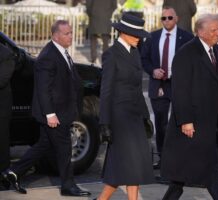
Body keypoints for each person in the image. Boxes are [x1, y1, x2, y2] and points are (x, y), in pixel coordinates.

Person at [1, 20, 91, 197]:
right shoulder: (48, 56)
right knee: (65, 150)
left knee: (43, 145)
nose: (71, 36)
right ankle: (68, 185)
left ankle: (12, 172)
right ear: (56, 36)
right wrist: (50, 114)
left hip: (61, 111)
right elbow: (43, 89)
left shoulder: (61, 52)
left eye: (71, 32)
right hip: (54, 114)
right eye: (67, 33)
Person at [160, 13, 218, 200]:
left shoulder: (216, 50)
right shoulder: (186, 53)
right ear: (200, 32)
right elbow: (180, 90)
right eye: (214, 30)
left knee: (180, 180)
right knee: (210, 173)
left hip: (212, 123)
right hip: (194, 125)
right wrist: (186, 121)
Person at [96, 13, 154, 200]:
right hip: (120, 119)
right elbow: (105, 92)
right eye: (135, 34)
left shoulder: (135, 52)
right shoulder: (111, 55)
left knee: (131, 167)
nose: (138, 38)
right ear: (122, 32)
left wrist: (145, 117)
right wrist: (104, 123)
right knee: (126, 166)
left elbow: (137, 89)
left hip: (135, 117)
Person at [141, 6, 193, 169]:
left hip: (178, 85)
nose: (167, 21)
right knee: (161, 123)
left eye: (170, 17)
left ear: (176, 18)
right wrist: (152, 70)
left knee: (181, 121)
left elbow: (192, 61)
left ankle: (179, 157)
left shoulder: (186, 37)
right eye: (164, 18)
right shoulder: (152, 37)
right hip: (159, 85)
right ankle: (163, 158)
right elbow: (144, 59)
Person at [0, 43, 15, 191]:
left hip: (1, 109)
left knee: (2, 142)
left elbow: (3, 79)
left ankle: (4, 177)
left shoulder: (6, 53)